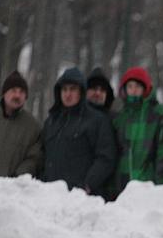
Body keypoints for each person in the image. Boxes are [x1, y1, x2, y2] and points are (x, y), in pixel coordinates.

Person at [40, 67, 117, 198]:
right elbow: (42, 154)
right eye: (64, 89)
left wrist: (87, 185)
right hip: (50, 196)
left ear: (81, 91)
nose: (68, 94)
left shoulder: (97, 120)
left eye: (72, 89)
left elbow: (106, 157)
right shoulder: (52, 121)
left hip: (81, 199)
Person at [111, 66, 163, 199]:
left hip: (149, 183)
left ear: (145, 88)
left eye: (137, 87)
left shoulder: (160, 115)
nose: (133, 91)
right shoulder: (119, 117)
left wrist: (162, 186)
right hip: (123, 182)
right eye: (130, 86)